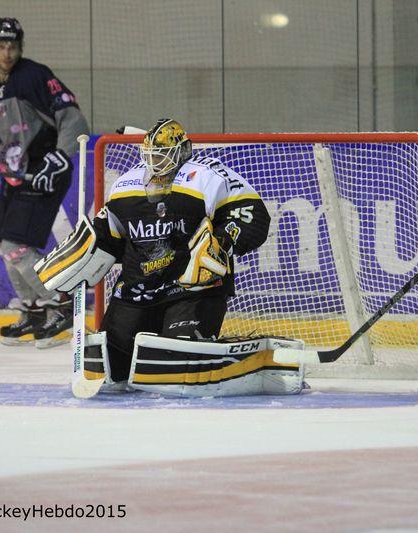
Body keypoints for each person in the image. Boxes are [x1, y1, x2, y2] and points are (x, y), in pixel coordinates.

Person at [35, 118, 272, 385]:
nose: (156, 162)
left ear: (183, 150)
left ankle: (232, 360)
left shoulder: (207, 176)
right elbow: (108, 235)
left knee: (175, 367)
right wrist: (84, 254)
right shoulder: (127, 184)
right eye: (151, 155)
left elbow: (252, 214)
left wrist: (222, 242)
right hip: (137, 293)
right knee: (110, 370)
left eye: (163, 154)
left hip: (191, 292)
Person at [0, 17, 89, 348]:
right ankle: (34, 311)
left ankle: (60, 307)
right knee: (5, 245)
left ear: (20, 47)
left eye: (13, 46)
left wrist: (61, 155)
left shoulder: (36, 76)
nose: (7, 52)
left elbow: (71, 116)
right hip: (14, 175)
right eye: (1, 46)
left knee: (17, 246)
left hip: (46, 171)